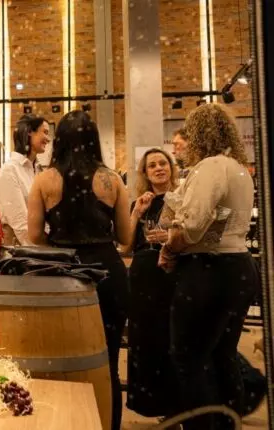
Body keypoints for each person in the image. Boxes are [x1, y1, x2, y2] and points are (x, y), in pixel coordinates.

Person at [27, 110, 131, 430]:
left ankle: (68, 423)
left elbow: (34, 236)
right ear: (93, 140)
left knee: (63, 361)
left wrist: (61, 244)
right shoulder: (113, 180)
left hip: (64, 275)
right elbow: (125, 237)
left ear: (59, 141)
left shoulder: (44, 180)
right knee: (108, 363)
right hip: (108, 274)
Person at [159, 104, 258, 429]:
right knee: (221, 355)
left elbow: (191, 226)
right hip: (237, 267)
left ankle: (203, 425)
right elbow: (218, 225)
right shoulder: (238, 169)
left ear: (199, 133)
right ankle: (227, 421)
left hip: (207, 272)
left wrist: (169, 248)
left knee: (189, 357)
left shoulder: (210, 167)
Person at [121, 148, 181, 420]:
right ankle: (152, 404)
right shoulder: (140, 202)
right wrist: (136, 213)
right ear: (145, 173)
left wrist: (169, 237)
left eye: (163, 163)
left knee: (172, 337)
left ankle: (175, 407)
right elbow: (125, 245)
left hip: (172, 272)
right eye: (152, 165)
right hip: (144, 275)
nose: (158, 168)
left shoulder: (182, 199)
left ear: (171, 167)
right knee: (146, 340)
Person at [0, 115, 50, 246]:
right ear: (29, 132)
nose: (48, 139)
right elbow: (20, 224)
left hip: (34, 246)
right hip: (18, 250)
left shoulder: (37, 169)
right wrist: (45, 251)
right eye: (45, 132)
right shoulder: (10, 170)